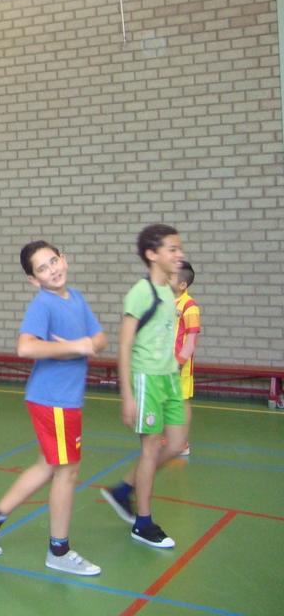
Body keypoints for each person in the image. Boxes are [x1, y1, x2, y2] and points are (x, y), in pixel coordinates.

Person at [0, 241, 106, 576]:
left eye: (54, 261)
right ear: (34, 279)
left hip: (64, 399)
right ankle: (58, 551)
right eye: (42, 268)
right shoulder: (43, 303)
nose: (52, 270)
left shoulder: (75, 297)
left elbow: (100, 338)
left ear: (65, 259)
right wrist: (76, 347)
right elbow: (24, 347)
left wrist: (88, 344)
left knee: (49, 465)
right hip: (53, 400)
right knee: (68, 471)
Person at [100, 224, 187, 550]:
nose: (179, 255)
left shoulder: (169, 289)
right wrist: (127, 396)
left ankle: (124, 489)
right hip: (146, 379)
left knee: (176, 444)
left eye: (179, 249)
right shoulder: (141, 292)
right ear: (152, 254)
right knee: (150, 448)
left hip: (169, 378)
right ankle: (144, 523)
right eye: (172, 249)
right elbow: (123, 346)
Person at [171, 261, 200, 457]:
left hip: (179, 365)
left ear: (183, 285)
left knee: (181, 402)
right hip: (163, 364)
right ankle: (171, 438)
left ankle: (182, 442)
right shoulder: (166, 301)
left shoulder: (190, 307)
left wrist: (180, 362)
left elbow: (191, 341)